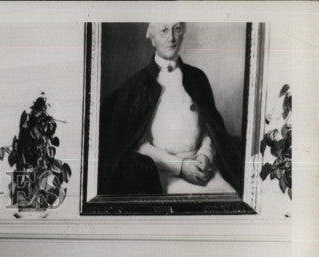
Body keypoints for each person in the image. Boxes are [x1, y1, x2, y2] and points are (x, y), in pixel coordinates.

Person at [98, 22, 242, 196]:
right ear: (152, 38)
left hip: (203, 169)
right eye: (164, 30)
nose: (172, 38)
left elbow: (209, 130)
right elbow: (138, 144)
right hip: (162, 174)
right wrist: (180, 167)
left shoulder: (197, 78)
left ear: (183, 33)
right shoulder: (137, 86)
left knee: (231, 198)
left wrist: (204, 156)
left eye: (177, 29)